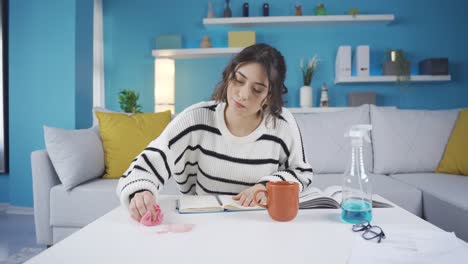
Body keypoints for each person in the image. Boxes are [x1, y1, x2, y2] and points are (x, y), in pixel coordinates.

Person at [117, 43, 314, 221]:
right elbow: (152, 160)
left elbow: (301, 173)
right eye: (238, 80)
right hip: (203, 221)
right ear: (228, 76)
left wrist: (266, 187)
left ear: (269, 96)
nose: (243, 94)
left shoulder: (282, 124)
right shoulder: (196, 118)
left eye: (257, 89)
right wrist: (142, 192)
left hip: (259, 224)